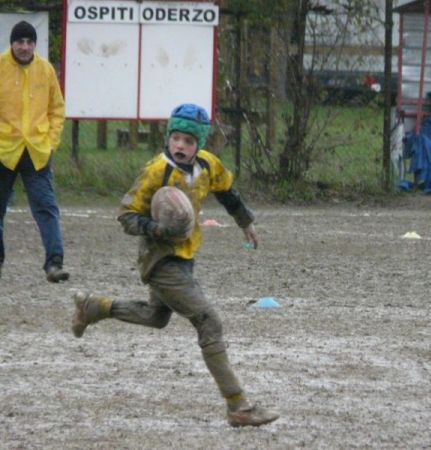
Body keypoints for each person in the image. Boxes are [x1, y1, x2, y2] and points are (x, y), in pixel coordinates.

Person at [70, 103, 279, 427]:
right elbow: (126, 215)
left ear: (200, 144)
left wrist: (245, 222)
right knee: (208, 320)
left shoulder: (208, 166)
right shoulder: (157, 171)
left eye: (188, 141)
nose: (181, 146)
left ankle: (94, 307)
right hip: (159, 259)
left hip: (184, 259)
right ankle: (238, 405)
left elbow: (227, 193)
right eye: (176, 138)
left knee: (156, 317)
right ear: (168, 138)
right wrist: (155, 228)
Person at [0, 21, 68, 282]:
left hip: (37, 151)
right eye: (20, 42)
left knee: (46, 207)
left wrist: (51, 143)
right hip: (4, 150)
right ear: (12, 43)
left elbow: (57, 110)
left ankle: (54, 262)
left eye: (30, 42)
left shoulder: (46, 69)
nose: (25, 47)